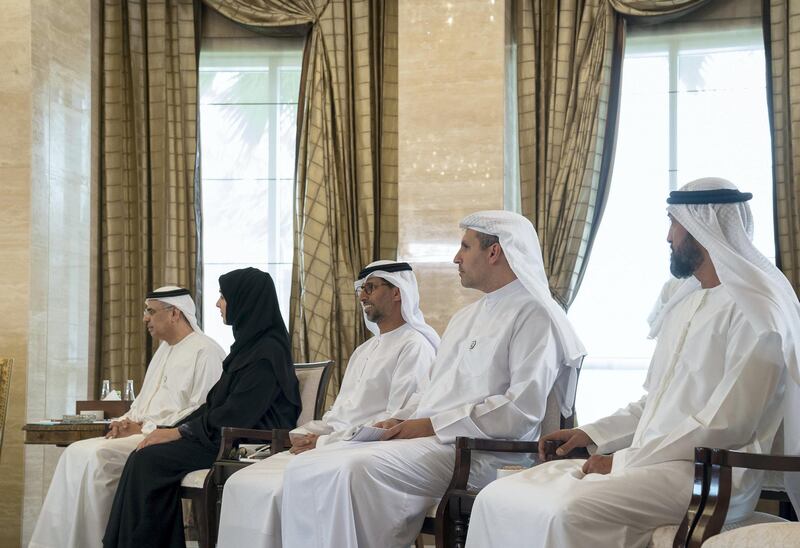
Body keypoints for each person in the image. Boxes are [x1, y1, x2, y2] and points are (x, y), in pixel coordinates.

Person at [465, 178, 797, 548]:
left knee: (567, 510)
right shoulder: (685, 304)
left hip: (710, 473)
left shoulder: (758, 310)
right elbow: (652, 403)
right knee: (499, 497)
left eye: (674, 223)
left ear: (703, 226)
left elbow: (727, 424)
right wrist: (593, 435)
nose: (668, 237)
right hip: (655, 465)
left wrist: (622, 462)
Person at [280, 211, 586, 548]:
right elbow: (432, 392)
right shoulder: (464, 318)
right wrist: (401, 419)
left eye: (465, 247)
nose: (456, 257)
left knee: (351, 470)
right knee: (308, 467)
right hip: (436, 444)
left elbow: (520, 412)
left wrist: (430, 425)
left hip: (481, 453)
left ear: (494, 252)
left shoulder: (534, 314)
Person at [216, 260, 439, 548]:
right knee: (243, 484)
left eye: (370, 288)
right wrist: (313, 433)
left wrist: (325, 442)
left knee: (276, 490)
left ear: (398, 292)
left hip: (364, 453)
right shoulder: (365, 350)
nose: (362, 297)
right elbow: (341, 413)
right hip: (336, 444)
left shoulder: (414, 346)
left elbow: (395, 420)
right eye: (361, 289)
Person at [102, 268, 301, 548]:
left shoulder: (267, 354)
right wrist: (170, 429)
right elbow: (214, 404)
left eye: (223, 296)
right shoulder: (247, 348)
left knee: (149, 461)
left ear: (244, 300)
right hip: (221, 434)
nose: (218, 303)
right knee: (143, 454)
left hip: (243, 440)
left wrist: (179, 433)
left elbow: (237, 413)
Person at [29, 286, 225, 548]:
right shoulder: (163, 351)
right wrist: (125, 421)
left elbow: (201, 410)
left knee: (100, 457)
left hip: (167, 438)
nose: (145, 318)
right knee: (74, 453)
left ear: (175, 313)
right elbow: (144, 401)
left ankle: (100, 542)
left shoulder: (206, 351)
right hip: (141, 432)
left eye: (150, 311)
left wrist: (144, 427)